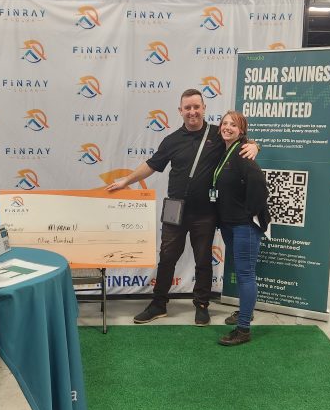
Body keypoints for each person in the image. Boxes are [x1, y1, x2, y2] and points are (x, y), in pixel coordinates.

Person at [106, 88, 258, 326]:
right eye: (187, 108)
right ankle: (158, 304)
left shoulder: (218, 134)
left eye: (196, 107)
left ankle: (202, 305)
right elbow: (151, 165)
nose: (192, 112)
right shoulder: (171, 140)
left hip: (206, 212)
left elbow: (239, 140)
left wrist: (255, 145)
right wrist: (126, 181)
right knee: (166, 258)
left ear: (204, 108)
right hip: (174, 210)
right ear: (180, 111)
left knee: (203, 260)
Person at [213, 111, 269, 346]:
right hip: (229, 223)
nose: (227, 127)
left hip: (243, 225)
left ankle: (243, 328)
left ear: (241, 130)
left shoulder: (243, 152)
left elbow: (258, 183)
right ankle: (245, 311)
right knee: (242, 271)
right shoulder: (226, 150)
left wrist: (249, 214)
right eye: (224, 123)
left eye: (233, 125)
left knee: (246, 275)